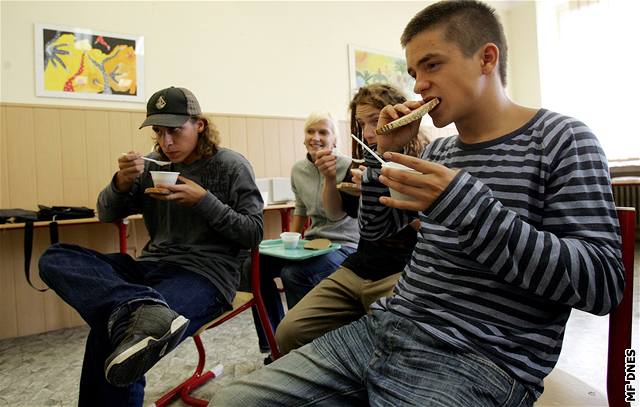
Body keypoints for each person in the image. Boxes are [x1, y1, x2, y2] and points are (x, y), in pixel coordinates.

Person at [212, 1, 624, 406]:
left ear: (486, 59)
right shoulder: (440, 151)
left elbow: (602, 285)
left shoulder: (562, 139)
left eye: (432, 65)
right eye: (414, 72)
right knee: (231, 401)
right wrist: (385, 154)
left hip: (483, 358)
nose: (418, 85)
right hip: (387, 327)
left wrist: (467, 205)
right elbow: (374, 232)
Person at [38, 86, 263, 407]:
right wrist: (121, 183)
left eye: (175, 130)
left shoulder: (230, 166)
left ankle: (136, 313)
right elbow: (107, 213)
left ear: (199, 125)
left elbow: (253, 233)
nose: (166, 142)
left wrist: (204, 201)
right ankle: (137, 308)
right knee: (56, 257)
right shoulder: (153, 166)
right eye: (158, 132)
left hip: (206, 276)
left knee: (119, 333)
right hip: (150, 268)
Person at [274, 84, 426, 354]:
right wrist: (332, 179)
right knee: (289, 331)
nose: (368, 133)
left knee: (389, 343)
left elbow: (435, 230)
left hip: (404, 270)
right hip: (358, 265)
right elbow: (336, 214)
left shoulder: (426, 158)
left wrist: (390, 192)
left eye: (376, 121)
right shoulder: (363, 162)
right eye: (361, 123)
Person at [253, 112, 359, 355]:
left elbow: (338, 214)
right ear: (304, 139)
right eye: (311, 132)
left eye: (323, 132)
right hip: (312, 243)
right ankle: (273, 342)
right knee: (255, 266)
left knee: (294, 274)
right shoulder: (298, 169)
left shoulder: (348, 166)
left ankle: (304, 347)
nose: (316, 137)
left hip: (345, 244)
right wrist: (288, 244)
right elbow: (300, 210)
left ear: (335, 140)